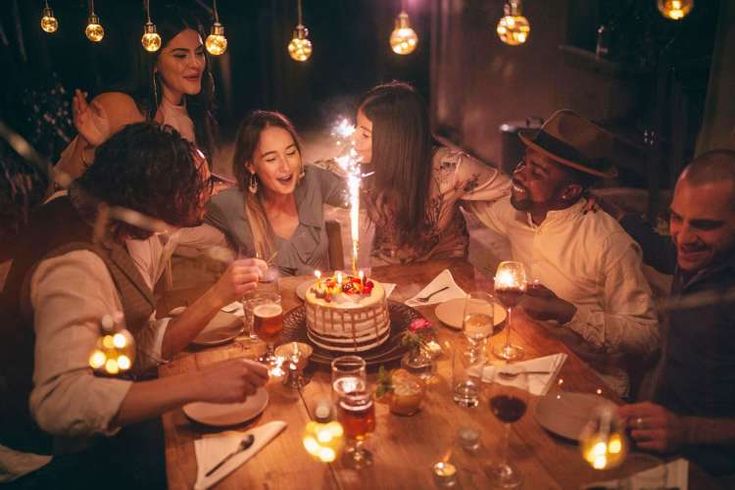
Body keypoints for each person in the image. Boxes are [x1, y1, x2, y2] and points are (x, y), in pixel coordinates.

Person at [0, 123, 268, 486]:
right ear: (161, 198)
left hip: (87, 435)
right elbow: (60, 402)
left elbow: (134, 346)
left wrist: (217, 297)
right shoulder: (75, 265)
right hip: (44, 462)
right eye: (201, 186)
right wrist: (199, 382)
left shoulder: (92, 211)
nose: (211, 191)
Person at [469, 109, 659, 396]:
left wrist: (569, 313)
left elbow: (647, 336)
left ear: (570, 191)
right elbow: (467, 189)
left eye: (537, 172)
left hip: (588, 382)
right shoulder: (517, 212)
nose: (519, 175)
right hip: (528, 359)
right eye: (524, 163)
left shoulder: (607, 242)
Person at [598, 150, 735, 477]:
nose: (683, 238)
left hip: (713, 471)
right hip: (659, 448)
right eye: (676, 218)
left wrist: (687, 430)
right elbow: (662, 249)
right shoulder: (697, 253)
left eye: (704, 225)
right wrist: (616, 214)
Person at [53, 5, 217, 187]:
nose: (195, 64)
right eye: (180, 56)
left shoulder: (195, 114)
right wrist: (94, 149)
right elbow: (64, 182)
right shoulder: (119, 106)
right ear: (154, 63)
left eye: (200, 53)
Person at [353, 81, 510, 265]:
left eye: (365, 134)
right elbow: (318, 178)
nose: (354, 139)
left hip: (444, 269)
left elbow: (510, 190)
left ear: (395, 140)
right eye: (356, 127)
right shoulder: (360, 166)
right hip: (388, 267)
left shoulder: (452, 170)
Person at [201, 110, 347, 276]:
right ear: (250, 165)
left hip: (319, 297)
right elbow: (176, 218)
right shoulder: (232, 203)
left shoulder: (314, 179)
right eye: (271, 159)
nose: (285, 167)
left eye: (291, 153)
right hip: (267, 301)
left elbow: (367, 193)